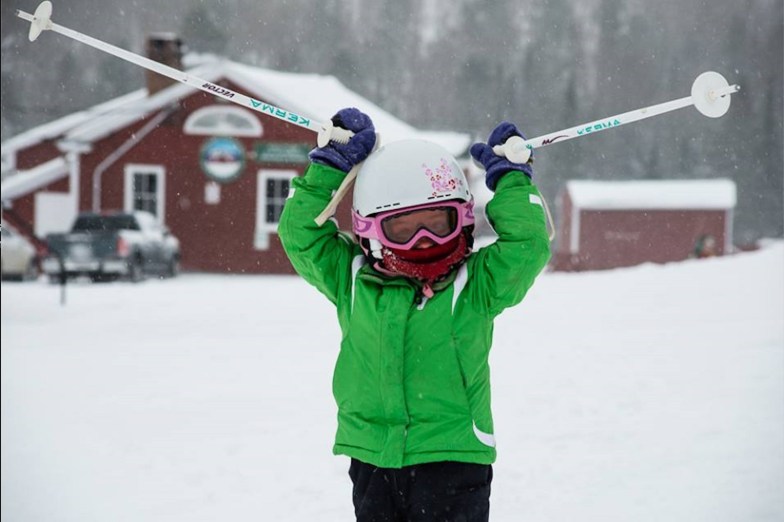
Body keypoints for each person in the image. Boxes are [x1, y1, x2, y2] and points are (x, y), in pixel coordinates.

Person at [278, 107, 550, 521]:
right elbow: (299, 233)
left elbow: (527, 245)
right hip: (372, 458)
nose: (423, 241)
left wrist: (510, 181)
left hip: (453, 458)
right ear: (370, 230)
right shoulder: (351, 280)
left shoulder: (476, 285)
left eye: (436, 224)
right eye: (403, 229)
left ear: (460, 220)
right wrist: (331, 167)